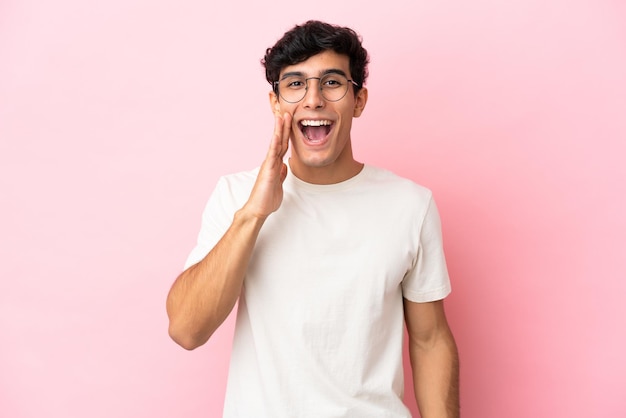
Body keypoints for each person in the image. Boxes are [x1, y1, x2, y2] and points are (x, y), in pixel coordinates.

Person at [166, 20, 459, 418]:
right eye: (295, 84)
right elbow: (186, 329)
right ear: (276, 103)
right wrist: (254, 213)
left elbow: (429, 340)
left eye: (332, 82)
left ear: (358, 101)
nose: (314, 99)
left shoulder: (410, 204)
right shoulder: (237, 195)